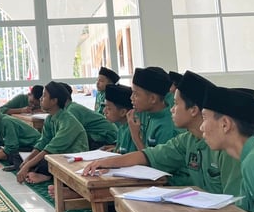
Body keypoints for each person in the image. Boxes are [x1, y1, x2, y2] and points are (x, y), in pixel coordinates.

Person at [83, 71, 241, 195]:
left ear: (193, 110)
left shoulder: (225, 147)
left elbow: (235, 203)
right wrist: (107, 162)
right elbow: (149, 155)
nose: (171, 109)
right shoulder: (187, 140)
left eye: (176, 104)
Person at [15, 82, 88, 185]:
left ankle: (44, 175)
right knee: (20, 156)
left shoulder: (68, 122)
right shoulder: (50, 118)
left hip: (73, 159)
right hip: (56, 154)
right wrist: (27, 161)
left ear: (54, 101)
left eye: (44, 96)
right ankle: (41, 173)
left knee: (47, 161)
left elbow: (50, 149)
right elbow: (42, 143)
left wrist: (27, 165)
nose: (40, 99)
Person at [129, 66, 177, 150]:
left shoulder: (167, 127)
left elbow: (155, 158)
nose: (131, 98)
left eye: (136, 94)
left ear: (152, 99)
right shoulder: (151, 115)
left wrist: (135, 137)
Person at [59, 83, 117, 149]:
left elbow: (68, 134)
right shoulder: (67, 109)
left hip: (106, 135)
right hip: (98, 134)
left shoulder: (72, 110)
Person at [102, 83, 136, 154]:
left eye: (109, 108)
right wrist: (114, 149)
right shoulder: (122, 127)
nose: (104, 111)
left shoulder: (131, 130)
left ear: (122, 112)